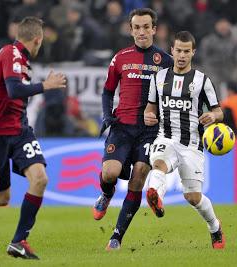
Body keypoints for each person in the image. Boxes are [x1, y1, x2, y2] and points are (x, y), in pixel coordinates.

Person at [0, 17, 66, 260]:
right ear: (37, 39)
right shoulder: (12, 53)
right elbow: (14, 90)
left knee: (40, 178)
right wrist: (45, 86)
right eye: (41, 42)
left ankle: (18, 241)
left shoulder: (22, 61)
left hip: (19, 130)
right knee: (2, 197)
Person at [93, 8, 173, 251]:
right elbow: (108, 90)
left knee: (138, 177)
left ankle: (116, 237)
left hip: (149, 131)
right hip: (122, 127)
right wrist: (107, 115)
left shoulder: (166, 61)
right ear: (131, 30)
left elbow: (172, 97)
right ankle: (106, 195)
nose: (141, 32)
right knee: (110, 173)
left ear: (154, 29)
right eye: (136, 27)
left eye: (146, 27)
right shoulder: (120, 57)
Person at [144, 31, 226, 249]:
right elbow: (150, 107)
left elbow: (219, 112)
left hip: (192, 145)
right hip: (166, 137)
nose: (181, 55)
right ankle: (156, 198)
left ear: (193, 52)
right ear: (172, 50)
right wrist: (148, 115)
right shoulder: (159, 78)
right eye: (178, 50)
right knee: (158, 163)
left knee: (193, 197)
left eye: (186, 51)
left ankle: (215, 227)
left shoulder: (202, 81)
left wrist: (213, 115)